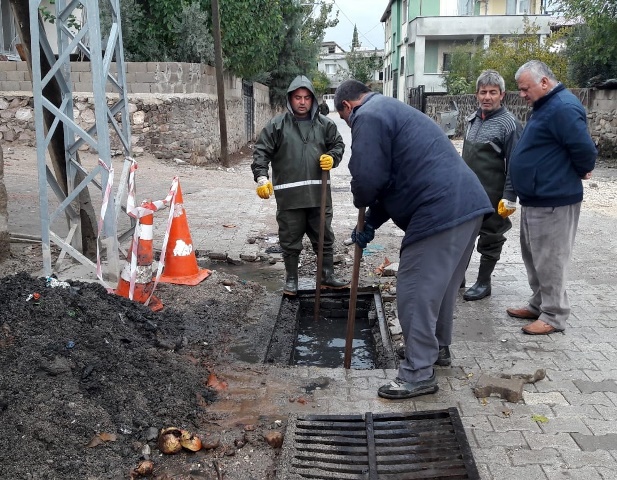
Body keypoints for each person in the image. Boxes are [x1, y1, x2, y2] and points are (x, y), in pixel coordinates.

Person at [334, 79, 493, 399]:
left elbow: (368, 178)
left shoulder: (367, 115)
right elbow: (393, 180)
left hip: (441, 209)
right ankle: (437, 352)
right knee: (442, 288)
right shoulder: (390, 109)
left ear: (347, 107)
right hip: (468, 203)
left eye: (344, 120)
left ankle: (419, 372)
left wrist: (359, 196)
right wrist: (373, 222)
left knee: (415, 288)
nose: (349, 125)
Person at [507, 60, 597, 335]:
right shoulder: (545, 106)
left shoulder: (563, 107)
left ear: (544, 82)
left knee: (550, 260)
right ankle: (539, 303)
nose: (521, 94)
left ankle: (554, 315)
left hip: (554, 199)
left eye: (525, 88)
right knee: (534, 257)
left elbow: (584, 150)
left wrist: (582, 170)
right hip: (536, 198)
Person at [251, 75, 347, 296]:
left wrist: (332, 157)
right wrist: (261, 178)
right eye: (297, 98)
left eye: (306, 98)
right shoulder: (277, 125)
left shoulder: (325, 125)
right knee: (290, 240)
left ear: (313, 100)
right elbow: (261, 152)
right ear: (290, 99)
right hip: (289, 197)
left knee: (324, 237)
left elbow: (339, 145)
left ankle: (327, 275)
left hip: (318, 195)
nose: (302, 102)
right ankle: (292, 280)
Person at [461, 70, 523, 301]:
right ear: (477, 94)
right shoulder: (472, 120)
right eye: (483, 92)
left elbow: (515, 163)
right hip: (468, 192)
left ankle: (483, 282)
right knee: (463, 236)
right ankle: (459, 277)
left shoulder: (509, 125)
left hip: (494, 193)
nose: (487, 97)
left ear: (502, 95)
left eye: (493, 92)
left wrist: (509, 196)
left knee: (491, 237)